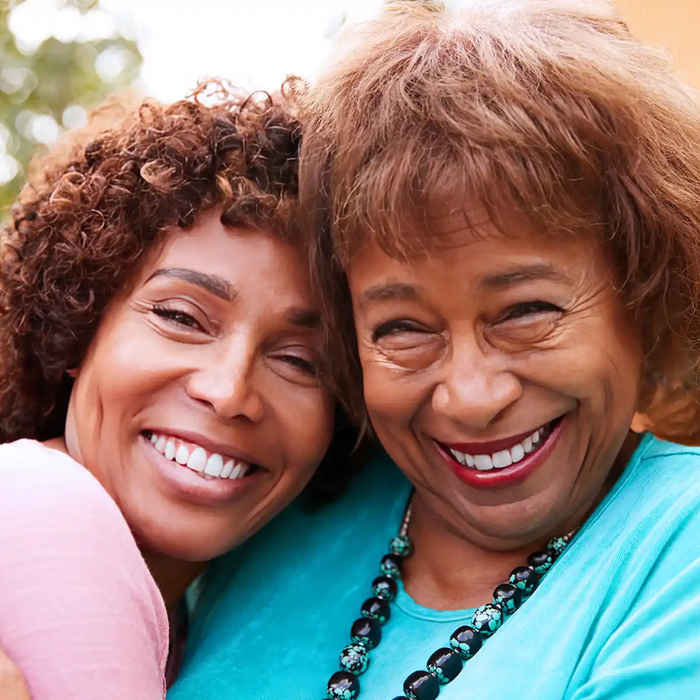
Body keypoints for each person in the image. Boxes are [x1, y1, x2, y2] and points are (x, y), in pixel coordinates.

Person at [169, 2, 700, 699]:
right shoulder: (282, 504)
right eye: (403, 329)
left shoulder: (676, 543)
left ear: (642, 289)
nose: (472, 397)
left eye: (526, 312)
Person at [0, 81, 350, 699]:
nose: (229, 390)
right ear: (78, 329)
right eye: (181, 318)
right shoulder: (48, 507)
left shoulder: (194, 615)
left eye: (301, 361)